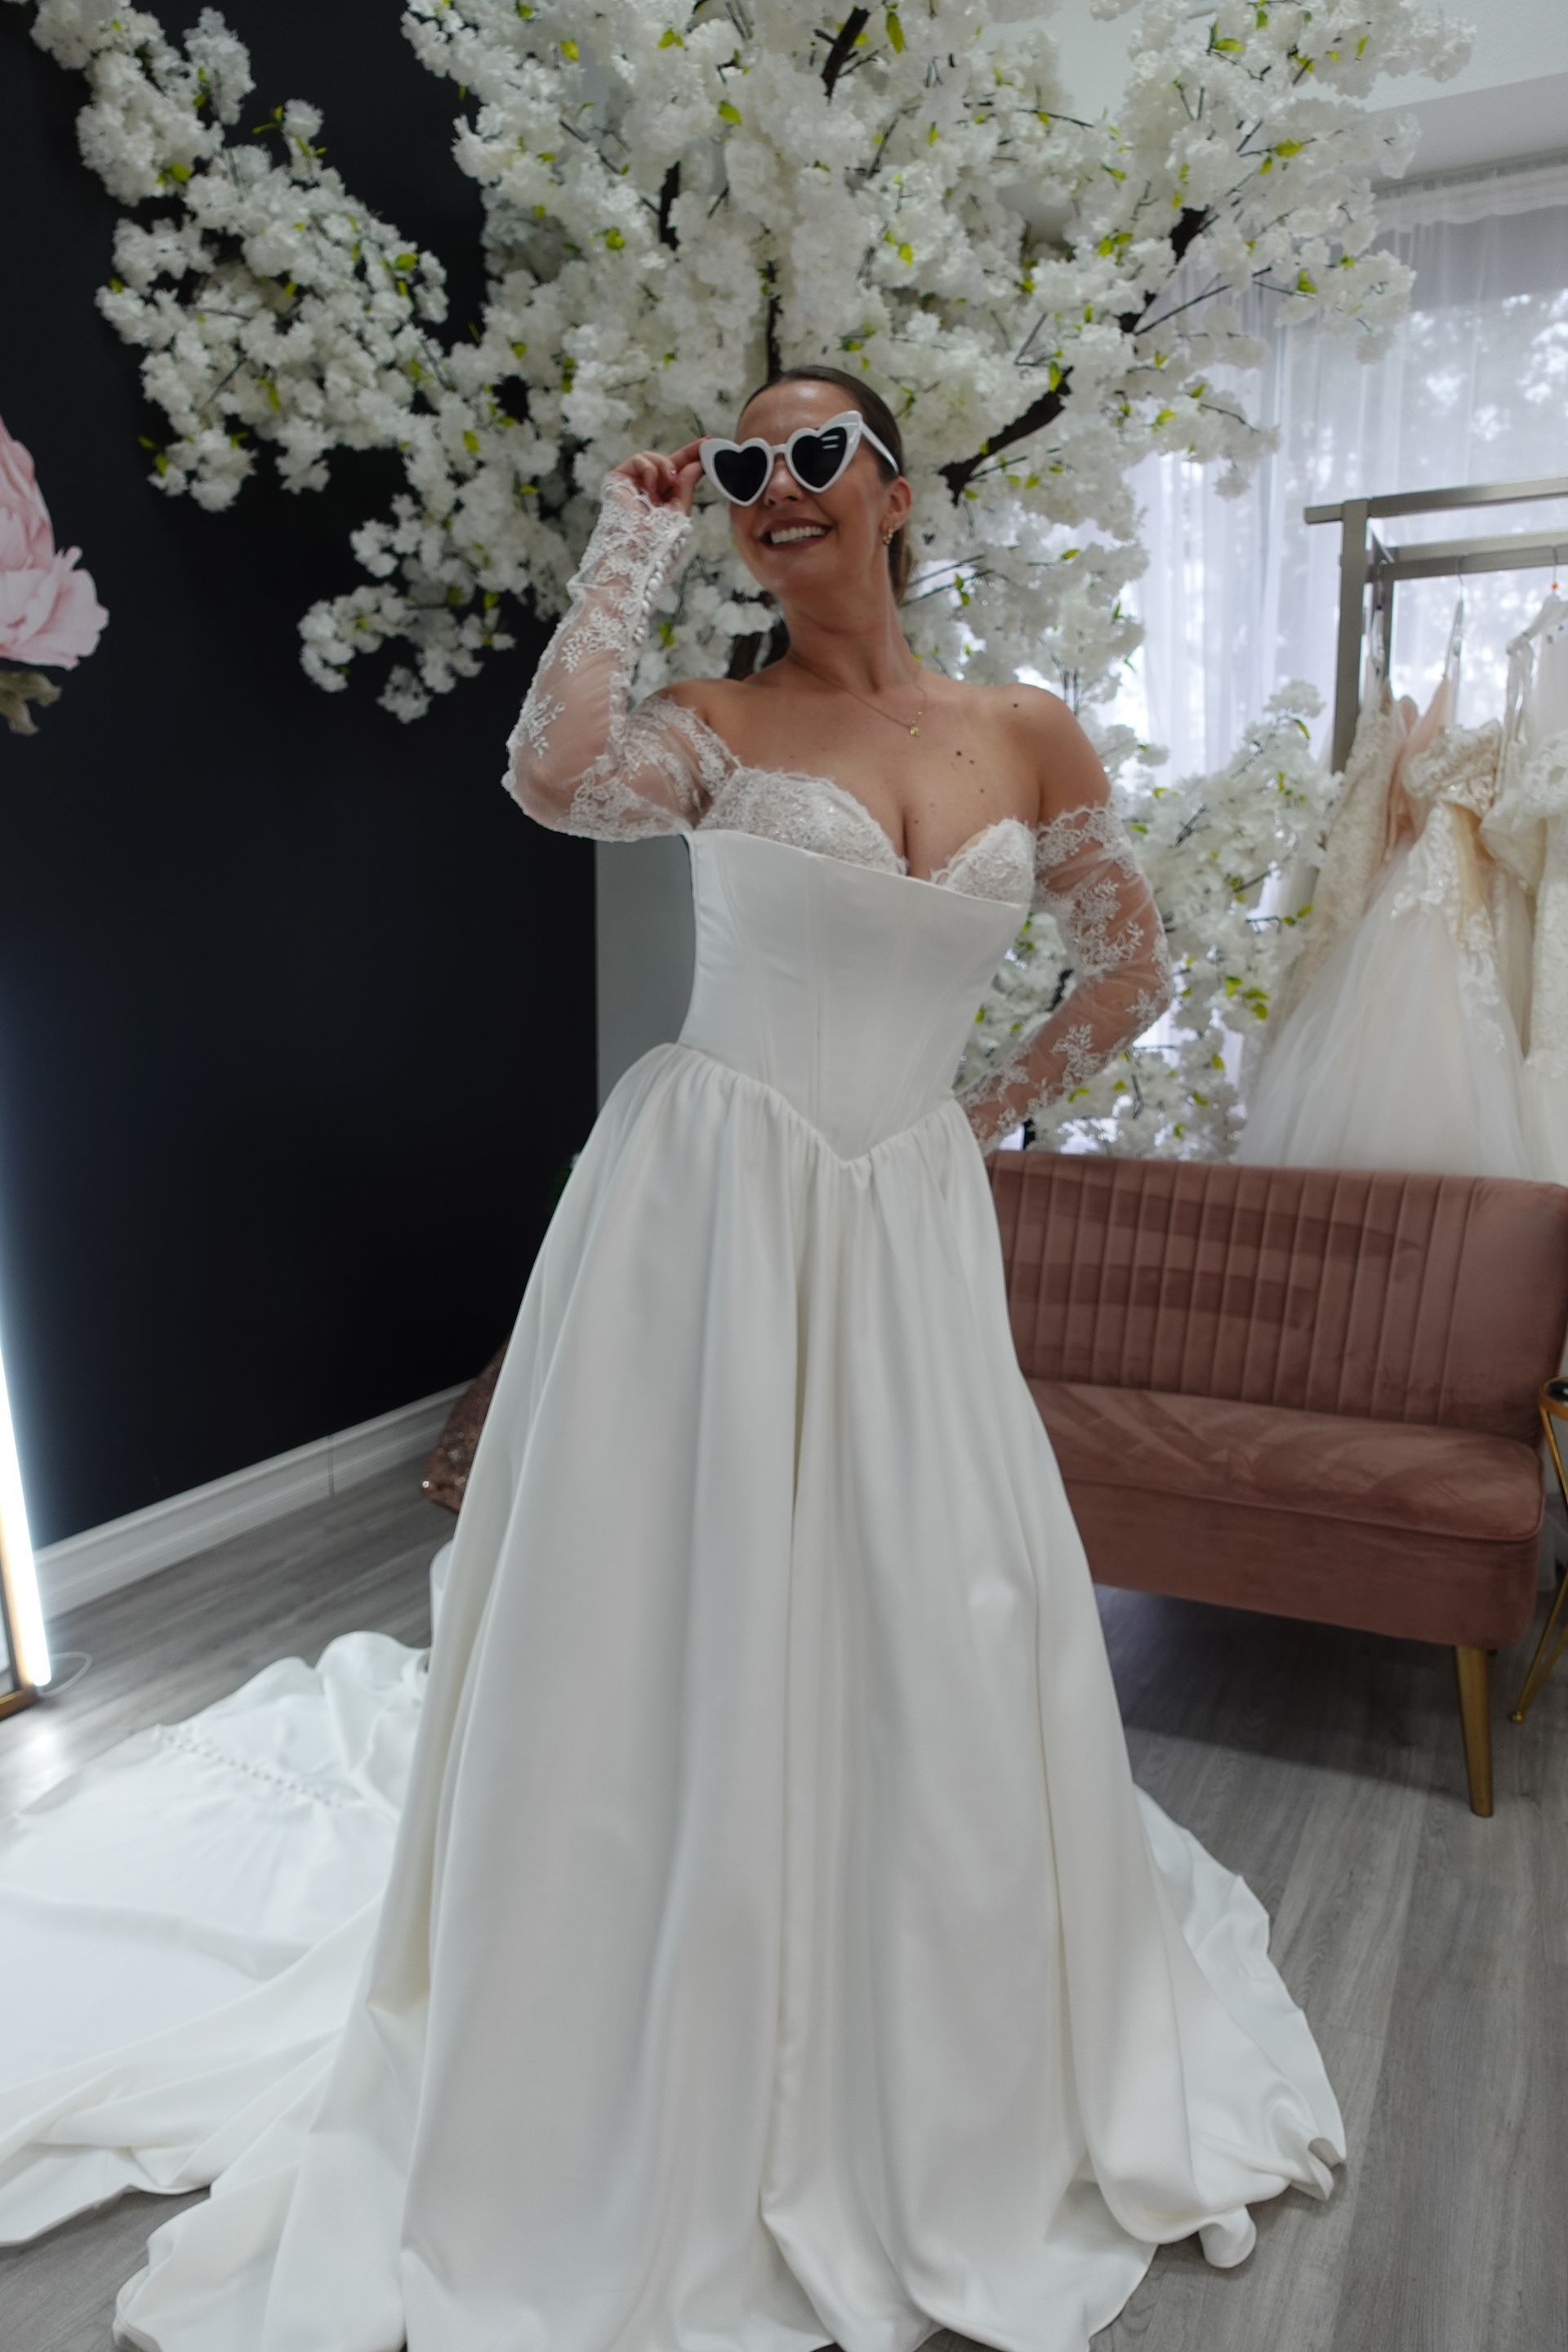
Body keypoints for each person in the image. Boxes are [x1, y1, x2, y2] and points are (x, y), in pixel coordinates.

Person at [17, 367, 1343, 2352]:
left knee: (933, 1602)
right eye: (747, 470)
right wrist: (629, 538)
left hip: (900, 1216)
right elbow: (552, 780)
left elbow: (1129, 964)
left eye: (818, 456)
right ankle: (631, 1986)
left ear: (898, 492)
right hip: (704, 1203)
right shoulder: (719, 726)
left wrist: (984, 1114)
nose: (780, 490)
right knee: (664, 1596)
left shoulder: (1025, 731)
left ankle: (922, 2018)